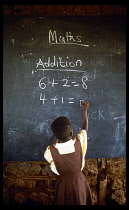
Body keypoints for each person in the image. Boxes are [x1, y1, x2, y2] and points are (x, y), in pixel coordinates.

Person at [44, 101, 94, 205]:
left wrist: (56, 137)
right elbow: (84, 129)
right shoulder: (79, 142)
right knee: (80, 200)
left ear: (54, 135)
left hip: (62, 185)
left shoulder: (50, 151)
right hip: (79, 182)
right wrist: (84, 111)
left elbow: (51, 151)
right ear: (71, 132)